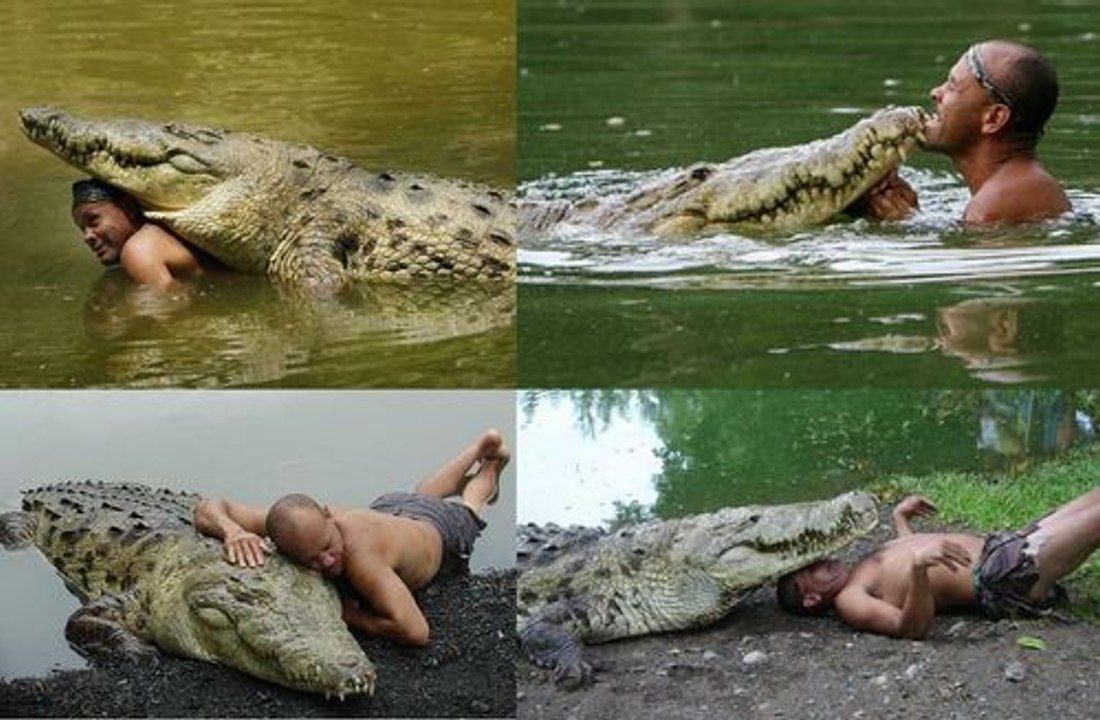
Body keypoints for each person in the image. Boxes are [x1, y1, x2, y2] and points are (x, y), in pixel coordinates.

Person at [193, 429, 510, 647]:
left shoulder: (363, 560)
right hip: (390, 508)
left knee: (472, 507)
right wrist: (232, 530)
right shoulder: (294, 524)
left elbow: (416, 632)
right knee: (422, 496)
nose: (327, 561)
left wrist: (354, 616)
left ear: (329, 516)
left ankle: (491, 463)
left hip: (443, 532)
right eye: (312, 560)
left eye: (328, 547)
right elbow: (208, 507)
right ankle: (478, 447)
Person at [776, 489, 1100, 639]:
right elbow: (911, 628)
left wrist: (900, 519)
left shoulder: (860, 570)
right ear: (811, 598)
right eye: (811, 570)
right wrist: (919, 569)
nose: (822, 561)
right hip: (1002, 576)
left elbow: (905, 558)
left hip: (1004, 546)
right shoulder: (850, 599)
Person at [862, 40, 1070, 225]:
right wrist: (914, 217)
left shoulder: (996, 204)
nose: (935, 92)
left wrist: (905, 225)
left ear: (994, 118)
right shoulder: (1016, 187)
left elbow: (988, 263)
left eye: (952, 86)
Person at [71, 178, 223, 290]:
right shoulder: (162, 233)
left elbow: (168, 312)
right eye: (82, 229)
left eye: (93, 222)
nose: (87, 237)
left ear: (129, 207)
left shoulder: (139, 249)